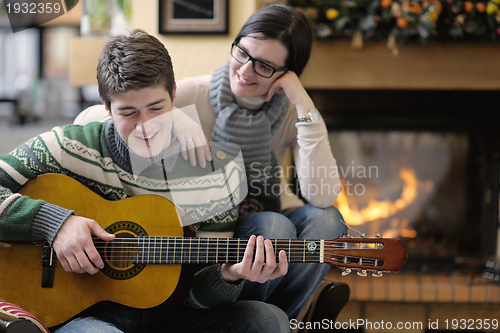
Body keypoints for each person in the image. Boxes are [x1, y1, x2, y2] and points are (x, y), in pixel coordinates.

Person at [0, 29, 291, 333]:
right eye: (128, 112)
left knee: (268, 320)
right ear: (105, 106)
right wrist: (54, 223)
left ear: (174, 95)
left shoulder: (218, 174)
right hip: (83, 315)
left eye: (156, 108)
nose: (146, 127)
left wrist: (229, 275)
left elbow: (193, 297)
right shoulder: (64, 148)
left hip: (172, 316)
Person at [76, 4, 349, 322]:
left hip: (266, 208)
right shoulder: (194, 91)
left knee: (328, 220)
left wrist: (303, 102)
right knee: (274, 228)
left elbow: (323, 195)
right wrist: (175, 116)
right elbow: (97, 118)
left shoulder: (290, 111)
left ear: (288, 74)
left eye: (265, 66)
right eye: (243, 53)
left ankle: (287, 318)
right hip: (211, 225)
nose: (246, 70)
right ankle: (238, 313)